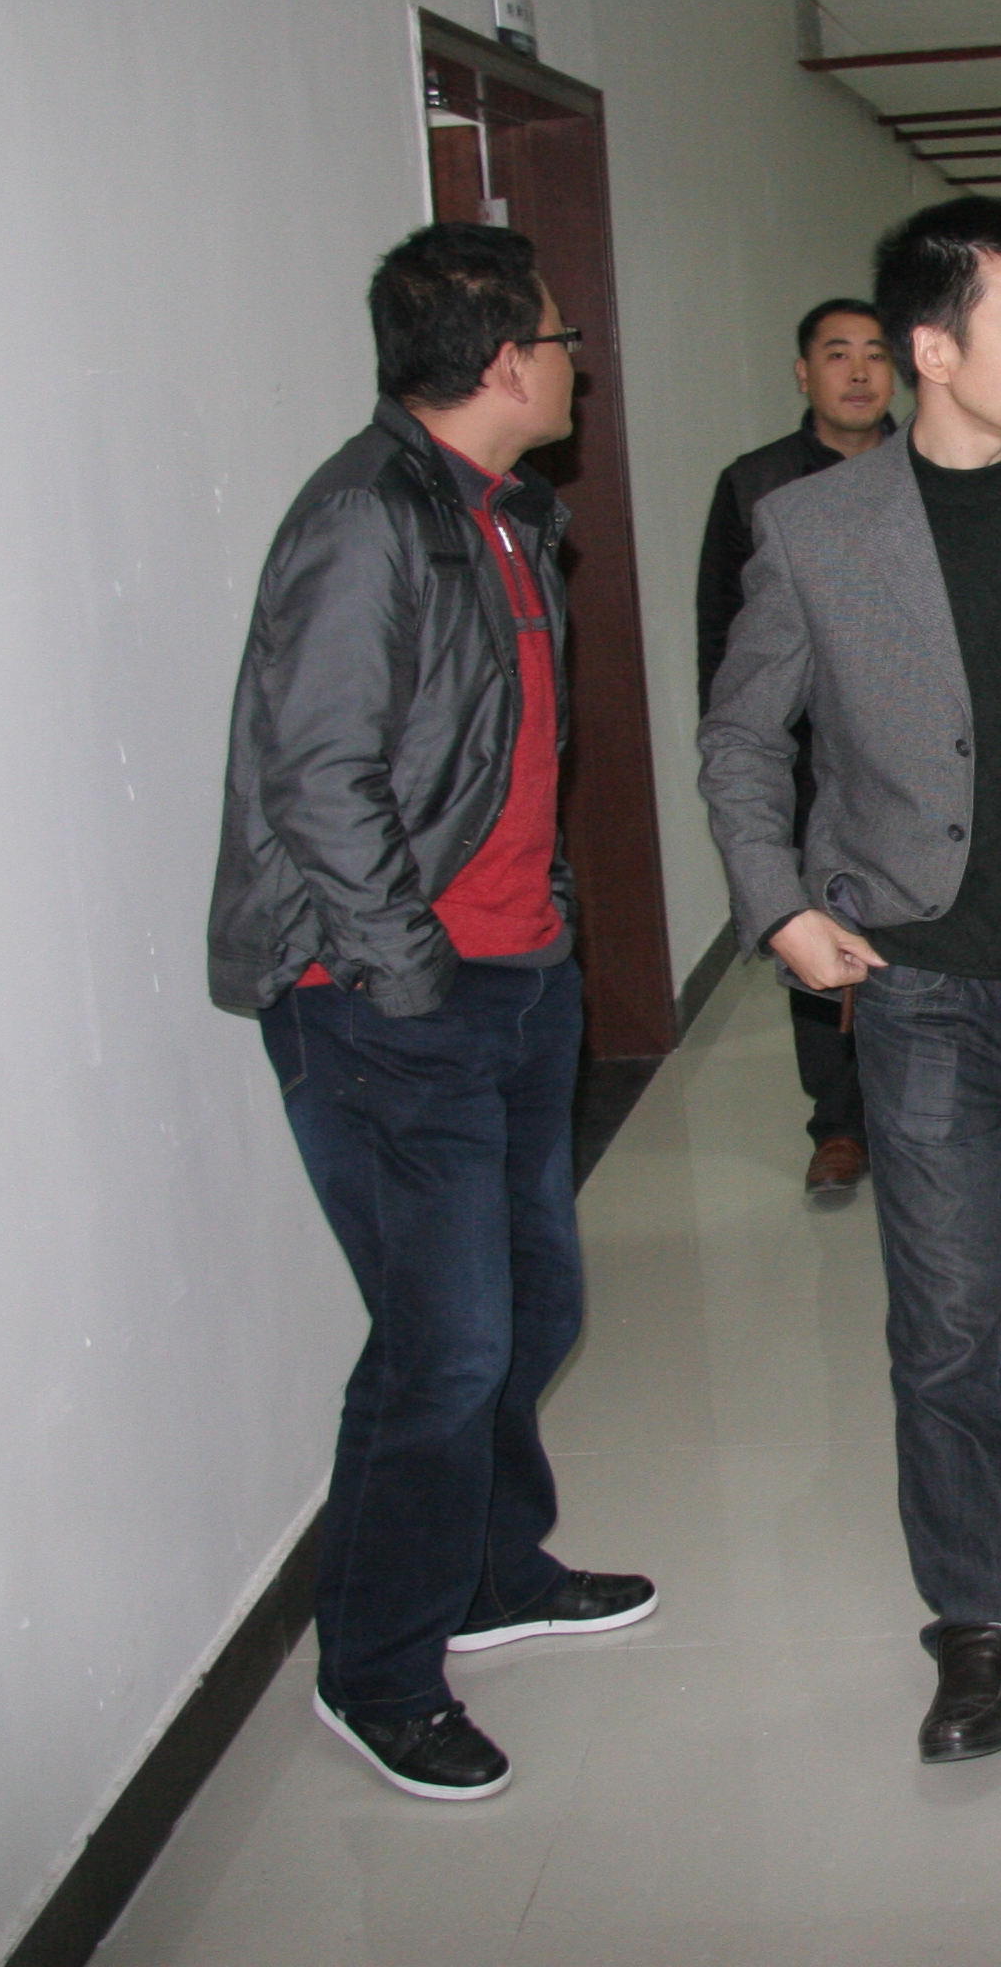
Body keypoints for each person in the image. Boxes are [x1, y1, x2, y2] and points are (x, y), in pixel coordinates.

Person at [698, 196, 1001, 1763]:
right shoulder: (815, 529)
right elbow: (739, 737)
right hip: (924, 990)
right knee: (947, 1323)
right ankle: (980, 1621)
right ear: (932, 349)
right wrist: (777, 906)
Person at [206, 223, 658, 1803]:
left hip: (514, 980)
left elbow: (498, 760)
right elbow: (319, 774)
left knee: (532, 1312)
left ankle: (487, 1573)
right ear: (506, 360)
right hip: (389, 1001)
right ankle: (378, 1669)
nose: (579, 362)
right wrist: (409, 974)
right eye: (563, 337)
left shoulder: (502, 515)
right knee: (444, 1345)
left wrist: (541, 937)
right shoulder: (367, 519)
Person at [695, 297, 899, 1194]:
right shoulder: (757, 484)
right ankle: (839, 1125)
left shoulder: (926, 464)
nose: (858, 372)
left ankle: (923, 1107)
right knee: (814, 932)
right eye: (837, 353)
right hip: (806, 754)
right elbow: (723, 639)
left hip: (907, 751)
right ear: (803, 372)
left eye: (875, 354)